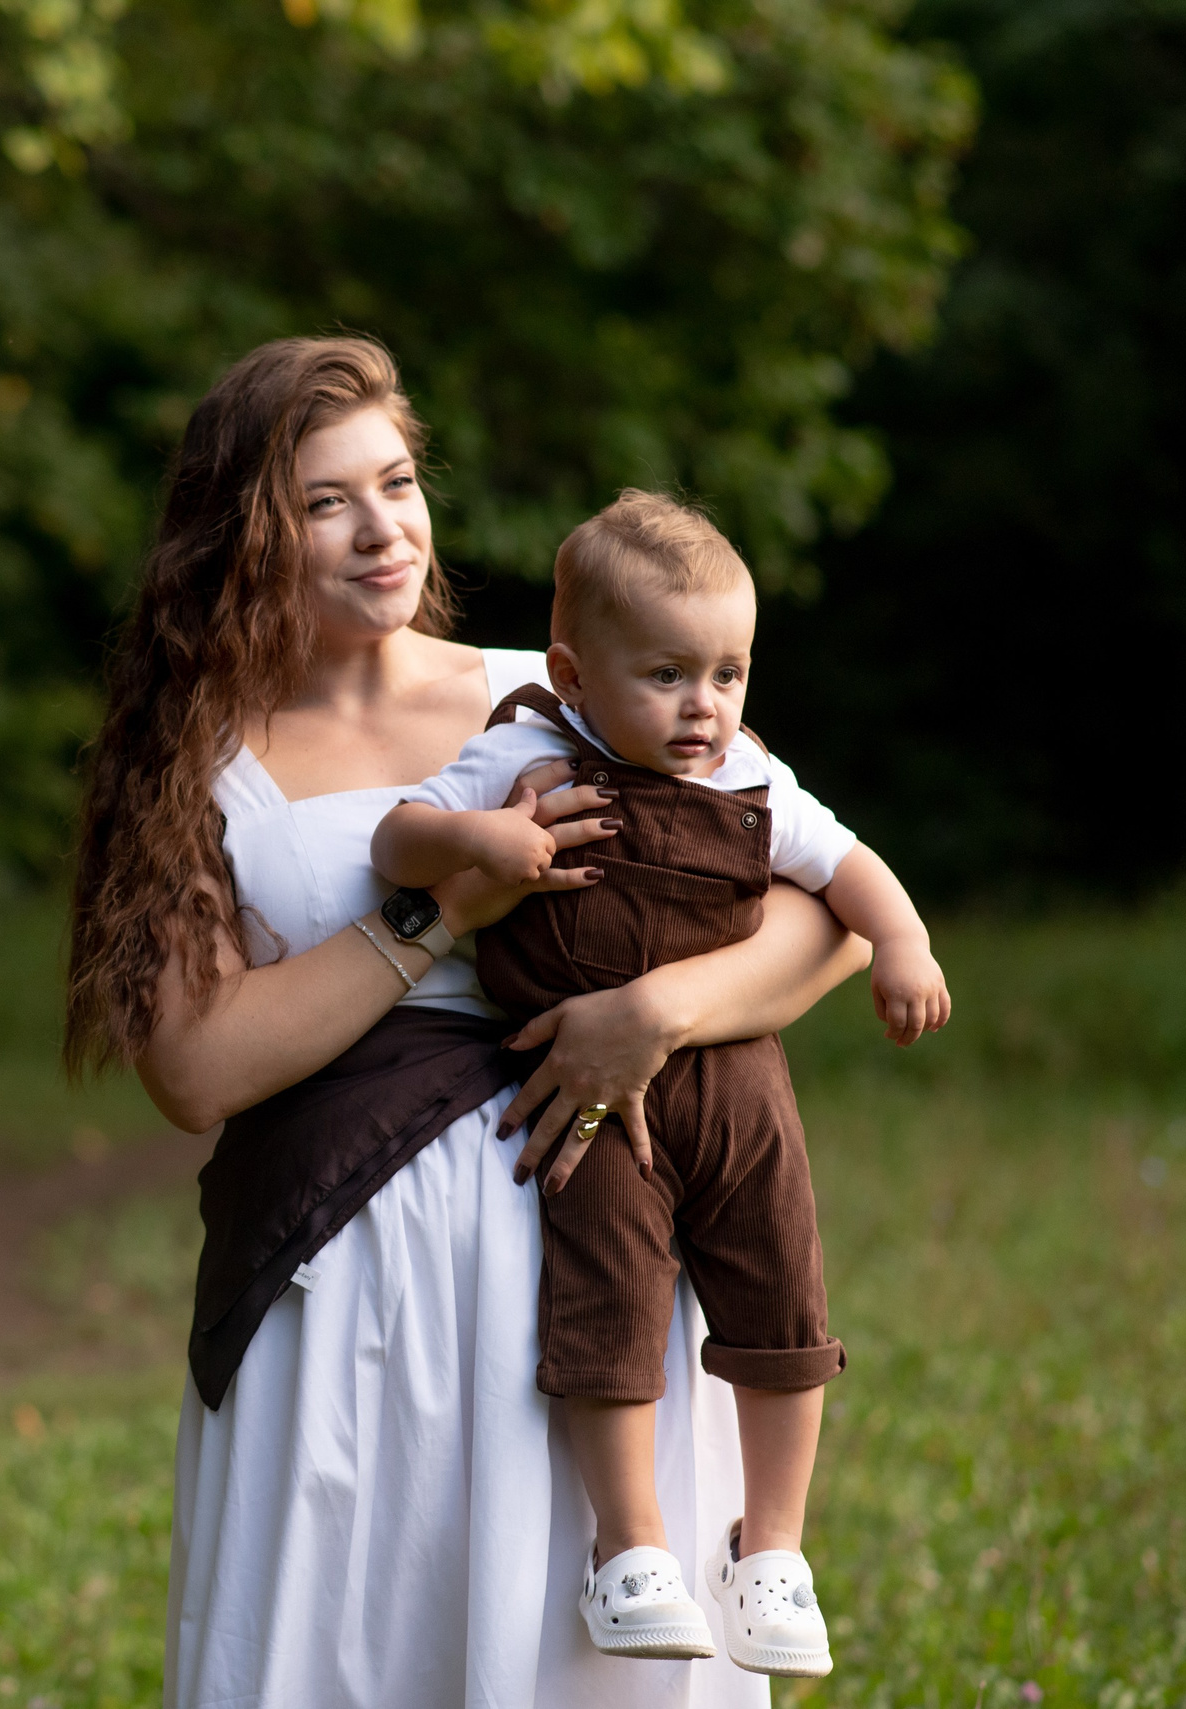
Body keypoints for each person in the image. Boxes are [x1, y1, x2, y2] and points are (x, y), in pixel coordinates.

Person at [64, 335, 869, 1709]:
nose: (384, 528)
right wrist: (438, 916)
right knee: (363, 1647)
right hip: (350, 1300)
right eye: (326, 502)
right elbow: (195, 1070)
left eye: (396, 481)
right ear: (245, 535)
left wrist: (651, 1013)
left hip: (599, 1246)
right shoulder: (195, 762)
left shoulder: (572, 684)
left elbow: (823, 912)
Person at [373, 491, 951, 1675]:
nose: (705, 707)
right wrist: (477, 842)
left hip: (738, 1088)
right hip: (581, 1095)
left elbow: (845, 866)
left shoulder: (751, 776)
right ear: (575, 673)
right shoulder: (525, 750)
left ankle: (772, 1547)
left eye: (728, 672)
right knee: (606, 1297)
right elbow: (396, 839)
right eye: (668, 673)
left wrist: (903, 944)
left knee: (785, 1293)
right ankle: (628, 1544)